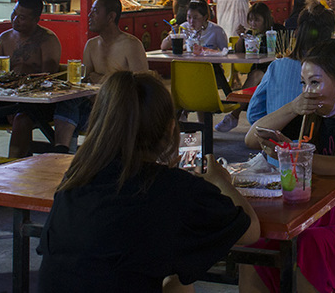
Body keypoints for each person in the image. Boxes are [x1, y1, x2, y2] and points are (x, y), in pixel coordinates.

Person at [38, 71, 259, 293]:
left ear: (99, 123)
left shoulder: (75, 179)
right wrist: (221, 181)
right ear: (171, 128)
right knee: (179, 279)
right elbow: (250, 231)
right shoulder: (173, 188)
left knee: (174, 274)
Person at [243, 39, 335, 293]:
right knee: (255, 245)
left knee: (309, 247)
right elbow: (252, 138)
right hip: (311, 220)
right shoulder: (309, 117)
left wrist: (296, 155)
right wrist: (292, 107)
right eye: (304, 83)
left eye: (315, 82)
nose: (308, 91)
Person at [53, 0, 148, 152]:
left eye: (95, 12)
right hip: (94, 105)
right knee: (67, 102)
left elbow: (140, 85)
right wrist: (108, 79)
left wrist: (102, 78)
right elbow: (86, 81)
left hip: (119, 109)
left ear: (111, 17)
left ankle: (66, 151)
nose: (89, 16)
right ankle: (63, 153)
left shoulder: (131, 45)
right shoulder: (91, 45)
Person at [0, 0, 61, 158]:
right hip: (5, 98)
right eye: (14, 13)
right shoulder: (5, 38)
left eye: (22, 17)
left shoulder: (47, 40)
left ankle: (14, 168)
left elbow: (48, 79)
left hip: (38, 103)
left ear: (36, 19)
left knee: (21, 118)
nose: (15, 20)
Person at [246, 5, 335, 126]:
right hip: (316, 142)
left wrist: (274, 125)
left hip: (277, 141)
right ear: (331, 37)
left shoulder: (277, 66)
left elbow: (253, 114)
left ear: (297, 33)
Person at [215, 2, 283, 133]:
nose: (253, 23)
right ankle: (234, 115)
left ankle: (234, 115)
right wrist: (242, 37)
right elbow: (239, 52)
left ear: (266, 19)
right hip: (258, 71)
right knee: (256, 75)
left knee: (256, 75)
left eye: (256, 20)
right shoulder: (251, 34)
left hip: (275, 71)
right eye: (250, 20)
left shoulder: (277, 31)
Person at [161, 0, 233, 98]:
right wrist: (172, 35)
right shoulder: (184, 28)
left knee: (196, 90)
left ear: (204, 17)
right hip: (188, 69)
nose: (191, 21)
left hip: (210, 70)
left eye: (195, 18)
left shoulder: (216, 31)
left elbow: (225, 53)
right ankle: (184, 110)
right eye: (189, 17)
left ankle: (187, 110)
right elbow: (163, 47)